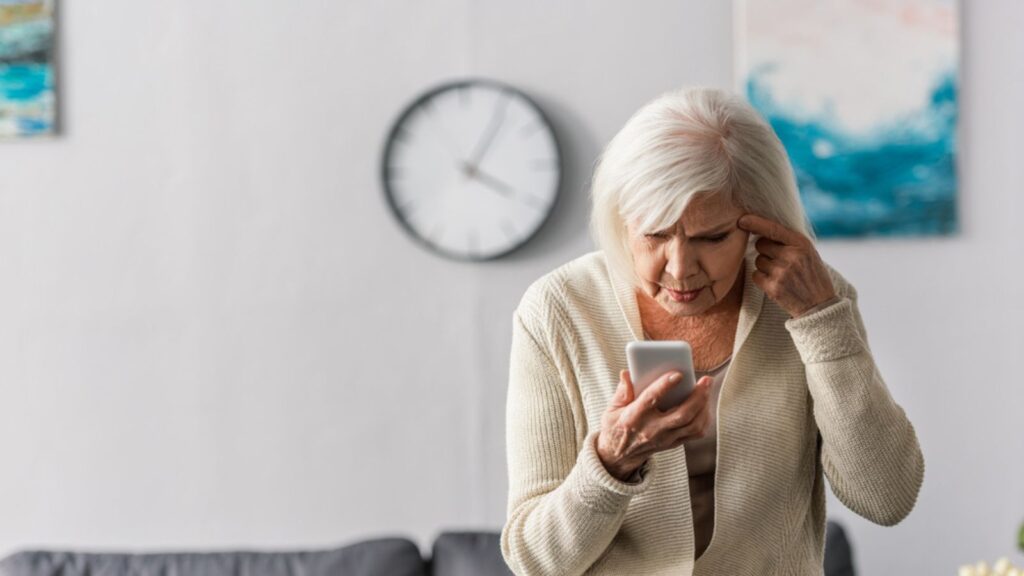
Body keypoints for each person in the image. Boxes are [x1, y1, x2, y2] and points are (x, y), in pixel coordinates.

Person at [500, 87, 924, 575]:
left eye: (713, 237)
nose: (680, 270)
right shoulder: (559, 310)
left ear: (760, 222)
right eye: (655, 235)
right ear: (621, 219)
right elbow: (535, 561)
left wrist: (821, 321)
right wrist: (610, 462)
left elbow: (886, 497)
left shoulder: (811, 301)